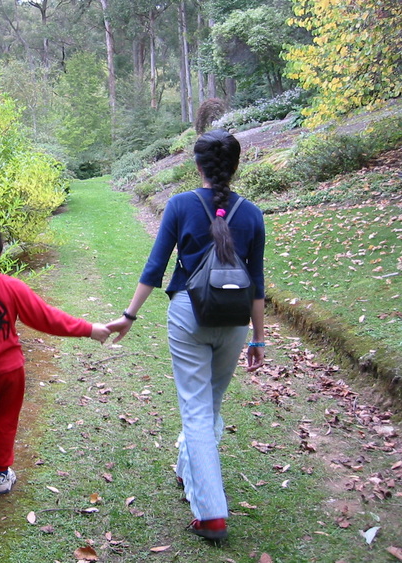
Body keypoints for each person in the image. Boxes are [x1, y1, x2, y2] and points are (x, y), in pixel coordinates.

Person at [107, 129, 266, 541]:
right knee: (208, 405)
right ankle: (187, 468)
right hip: (235, 322)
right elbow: (258, 284)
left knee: (196, 410)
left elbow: (154, 268)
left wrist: (129, 315)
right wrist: (258, 339)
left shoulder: (179, 206)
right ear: (235, 166)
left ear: (198, 166)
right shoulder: (251, 214)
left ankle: (211, 513)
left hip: (187, 316)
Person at [0, 220, 111, 506]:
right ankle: (1, 477)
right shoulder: (13, 287)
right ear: (1, 251)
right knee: (6, 422)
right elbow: (47, 318)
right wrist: (89, 329)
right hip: (11, 372)